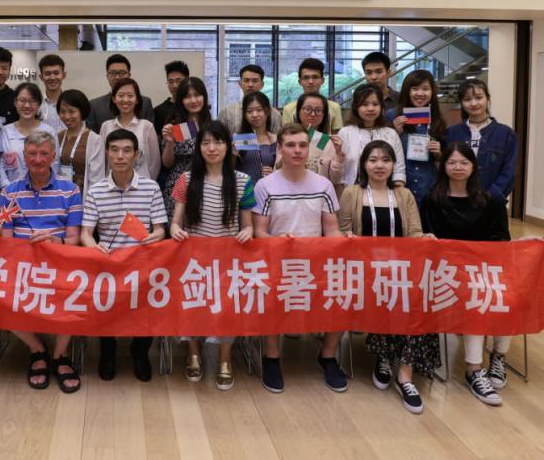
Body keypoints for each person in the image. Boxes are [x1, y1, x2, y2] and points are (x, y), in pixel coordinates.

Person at [337, 140, 436, 414]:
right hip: (363, 272)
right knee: (385, 293)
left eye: (385, 160)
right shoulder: (352, 193)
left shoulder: (404, 195)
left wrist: (424, 238)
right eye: (373, 160)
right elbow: (342, 231)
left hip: (400, 270)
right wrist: (347, 238)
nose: (379, 165)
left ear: (394, 165)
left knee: (417, 299)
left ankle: (405, 374)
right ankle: (383, 356)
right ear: (364, 164)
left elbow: (414, 232)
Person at [0, 130, 83, 394]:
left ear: (53, 157)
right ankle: (37, 349)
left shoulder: (70, 190)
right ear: (24, 157)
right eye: (32, 154)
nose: (38, 159)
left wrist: (55, 242)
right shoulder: (10, 192)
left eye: (44, 154)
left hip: (60, 265)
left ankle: (60, 356)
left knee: (76, 296)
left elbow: (74, 239)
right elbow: (5, 240)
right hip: (21, 268)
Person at [252, 124, 345, 394]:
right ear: (279, 149)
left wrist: (343, 242)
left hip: (316, 263)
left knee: (343, 292)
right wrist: (278, 242)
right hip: (276, 263)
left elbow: (332, 229)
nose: (297, 150)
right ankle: (272, 357)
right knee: (268, 295)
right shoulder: (264, 185)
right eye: (291, 145)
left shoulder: (324, 185)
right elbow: (259, 233)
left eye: (302, 145)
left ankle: (327, 356)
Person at [421, 142, 512, 406]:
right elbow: (427, 239)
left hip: (482, 269)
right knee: (477, 296)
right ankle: (474, 370)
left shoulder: (491, 200)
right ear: (443, 166)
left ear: (474, 166)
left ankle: (499, 356)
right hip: (445, 272)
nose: (458, 167)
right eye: (451, 162)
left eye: (464, 162)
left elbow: (501, 240)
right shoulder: (431, 199)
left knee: (506, 295)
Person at [170, 121, 255, 390]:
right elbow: (176, 221)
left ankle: (225, 359)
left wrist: (248, 232)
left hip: (228, 259)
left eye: (218, 142)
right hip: (193, 258)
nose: (212, 148)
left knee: (226, 308)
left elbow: (248, 224)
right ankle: (194, 354)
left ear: (228, 146)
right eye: (205, 143)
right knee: (193, 304)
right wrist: (174, 230)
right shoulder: (186, 180)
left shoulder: (243, 181)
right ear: (198, 148)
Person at [81, 129, 168, 382]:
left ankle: (139, 352)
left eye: (127, 150)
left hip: (142, 263)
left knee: (150, 302)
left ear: (136, 155)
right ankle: (107, 352)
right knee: (103, 303)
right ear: (107, 154)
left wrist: (156, 236)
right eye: (114, 150)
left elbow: (160, 229)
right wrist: (94, 247)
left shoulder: (151, 188)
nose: (120, 156)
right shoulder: (96, 191)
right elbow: (86, 234)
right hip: (108, 262)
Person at [445, 79, 517, 204]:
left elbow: (510, 171)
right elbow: (447, 167)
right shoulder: (452, 133)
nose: (474, 103)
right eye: (467, 99)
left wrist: (491, 195)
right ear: (461, 103)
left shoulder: (506, 134)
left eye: (479, 97)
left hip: (492, 202)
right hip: (457, 201)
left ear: (487, 99)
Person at [389, 70, 447, 206]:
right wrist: (395, 133)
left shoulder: (437, 119)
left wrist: (438, 153)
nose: (420, 93)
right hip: (400, 184)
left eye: (425, 89)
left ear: (432, 92)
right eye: (415, 89)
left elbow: (444, 159)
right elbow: (381, 151)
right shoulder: (392, 116)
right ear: (407, 91)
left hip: (428, 185)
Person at [336, 84, 406, 190]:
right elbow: (339, 172)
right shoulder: (345, 133)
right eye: (365, 104)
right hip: (352, 192)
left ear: (381, 107)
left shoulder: (391, 133)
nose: (370, 108)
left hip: (386, 193)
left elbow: (399, 170)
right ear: (356, 107)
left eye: (375, 104)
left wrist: (398, 193)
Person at [160, 77, 212, 220]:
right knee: (178, 226)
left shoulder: (212, 126)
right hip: (179, 183)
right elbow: (167, 163)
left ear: (204, 96)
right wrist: (170, 142)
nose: (193, 100)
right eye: (187, 97)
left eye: (197, 95)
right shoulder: (174, 126)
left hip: (207, 183)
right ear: (181, 100)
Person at [98, 78, 161, 180]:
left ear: (137, 100)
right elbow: (102, 160)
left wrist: (147, 184)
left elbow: (154, 163)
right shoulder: (106, 126)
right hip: (112, 184)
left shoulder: (146, 126)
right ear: (114, 99)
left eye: (130, 96)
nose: (125, 100)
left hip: (141, 185)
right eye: (121, 95)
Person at [0, 82, 56, 189]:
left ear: (39, 104)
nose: (27, 105)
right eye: (22, 100)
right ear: (15, 102)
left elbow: (54, 164)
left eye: (32, 101)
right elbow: (0, 166)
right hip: (10, 192)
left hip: (44, 191)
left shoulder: (49, 131)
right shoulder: (5, 132)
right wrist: (9, 190)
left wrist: (45, 189)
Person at [54, 89, 105, 196]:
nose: (67, 116)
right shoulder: (57, 137)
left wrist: (91, 202)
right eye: (63, 112)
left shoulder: (94, 140)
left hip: (83, 198)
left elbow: (97, 179)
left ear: (82, 111)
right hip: (59, 198)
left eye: (72, 111)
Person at [87, 54, 155, 131]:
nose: (117, 77)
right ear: (107, 76)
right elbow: (92, 136)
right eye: (112, 73)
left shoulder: (145, 103)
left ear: (129, 75)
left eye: (122, 73)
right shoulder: (95, 106)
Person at [294, 92, 345, 188]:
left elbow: (336, 179)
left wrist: (338, 154)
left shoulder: (328, 141)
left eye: (318, 110)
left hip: (320, 193)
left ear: (324, 114)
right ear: (299, 111)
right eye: (308, 109)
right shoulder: (288, 138)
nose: (313, 114)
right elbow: (278, 169)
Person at [281, 58, 344, 134]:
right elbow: (287, 135)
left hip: (325, 141)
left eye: (315, 77)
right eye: (306, 78)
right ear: (300, 82)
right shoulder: (288, 109)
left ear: (322, 80)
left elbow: (336, 135)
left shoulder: (334, 107)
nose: (310, 81)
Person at [219, 64, 281, 134]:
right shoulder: (227, 113)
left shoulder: (274, 114)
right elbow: (220, 138)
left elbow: (278, 139)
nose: (250, 85)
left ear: (262, 84)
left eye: (255, 81)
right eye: (246, 81)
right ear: (240, 84)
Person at [235, 90, 278, 185]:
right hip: (243, 190)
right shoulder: (239, 139)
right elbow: (229, 169)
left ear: (268, 111)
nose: (254, 115)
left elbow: (283, 170)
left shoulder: (276, 140)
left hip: (267, 189)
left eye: (259, 110)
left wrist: (274, 173)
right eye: (249, 111)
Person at [153, 60, 190, 136]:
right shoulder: (159, 111)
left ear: (187, 80)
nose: (174, 85)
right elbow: (159, 138)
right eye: (171, 82)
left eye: (178, 81)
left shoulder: (194, 105)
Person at [37, 53, 67, 133]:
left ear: (64, 75)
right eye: (47, 74)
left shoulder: (72, 104)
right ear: (41, 77)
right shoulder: (36, 105)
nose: (52, 78)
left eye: (56, 73)